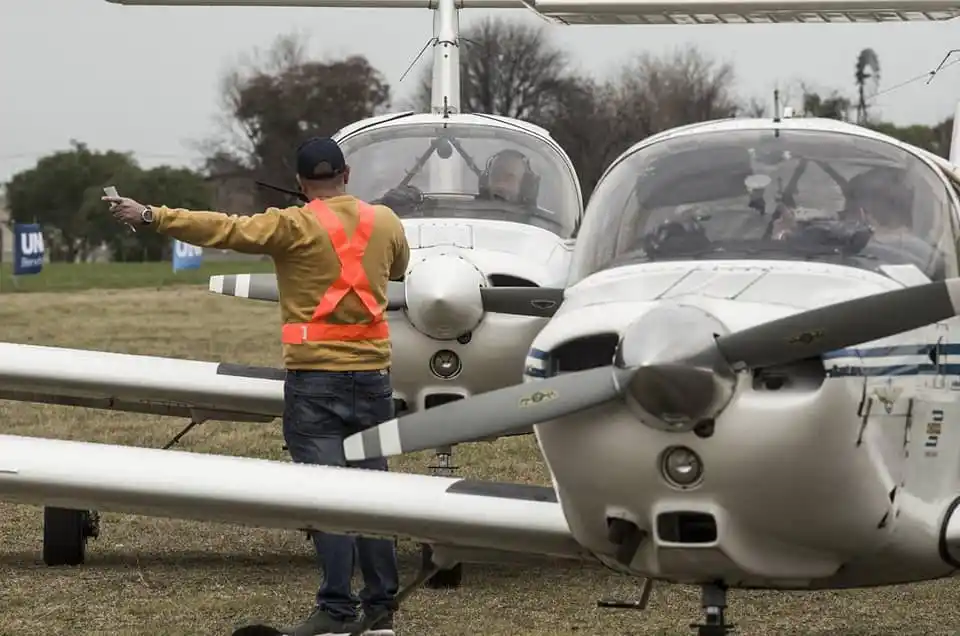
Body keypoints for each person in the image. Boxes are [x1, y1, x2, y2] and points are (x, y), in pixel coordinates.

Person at [103, 136, 409, 636]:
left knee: (326, 496)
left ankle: (337, 610)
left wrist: (151, 215)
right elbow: (398, 269)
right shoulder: (387, 222)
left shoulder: (290, 224)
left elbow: (223, 228)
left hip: (315, 382)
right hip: (374, 380)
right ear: (347, 175)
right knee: (373, 493)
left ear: (300, 182)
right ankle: (380, 612)